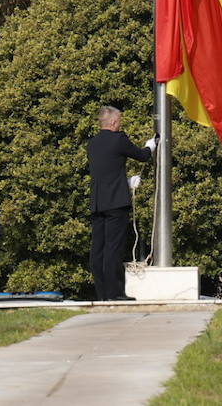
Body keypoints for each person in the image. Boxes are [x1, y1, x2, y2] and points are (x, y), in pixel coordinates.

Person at [87, 106, 155, 301]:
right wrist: (151, 145)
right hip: (116, 202)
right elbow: (142, 155)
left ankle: (102, 294)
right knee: (113, 249)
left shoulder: (92, 143)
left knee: (98, 249)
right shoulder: (119, 140)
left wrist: (124, 181)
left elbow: (105, 172)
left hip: (98, 202)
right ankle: (115, 292)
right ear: (114, 122)